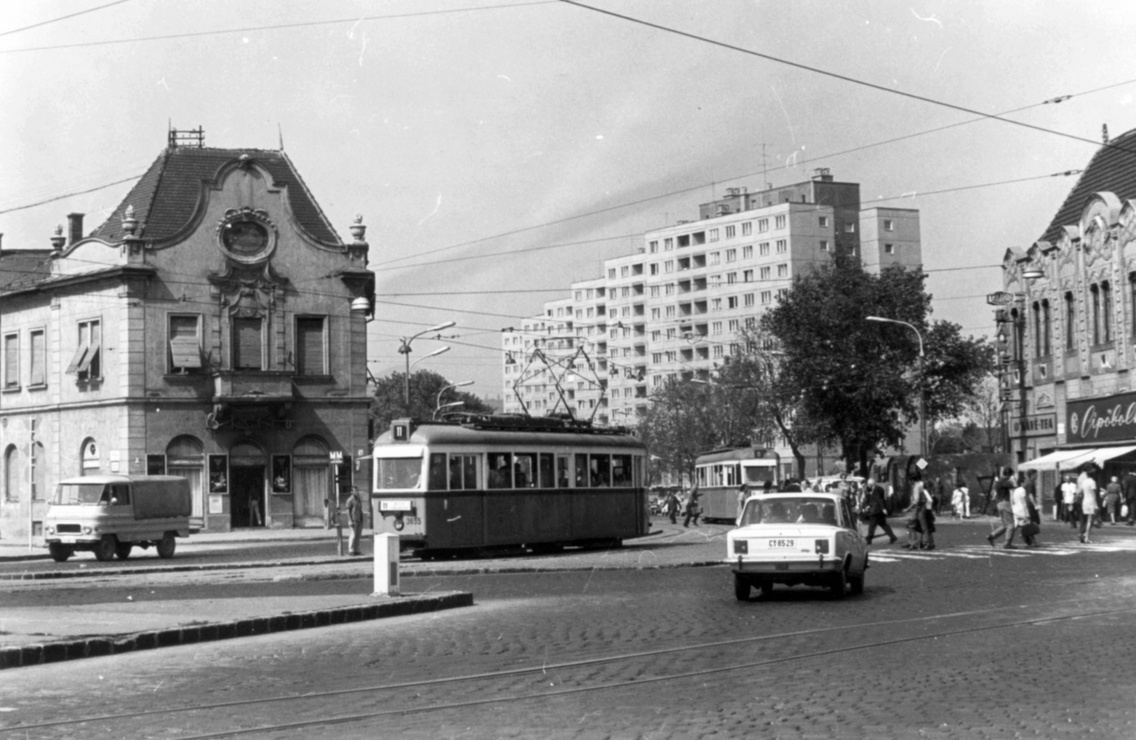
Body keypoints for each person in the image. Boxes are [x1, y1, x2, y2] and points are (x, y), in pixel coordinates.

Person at [987, 466, 1019, 549]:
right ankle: (1007, 543)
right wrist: (1014, 479)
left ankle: (992, 536)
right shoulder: (1004, 481)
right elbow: (1015, 485)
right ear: (1009, 474)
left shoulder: (998, 481)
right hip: (1005, 503)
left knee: (1006, 525)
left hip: (999, 504)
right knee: (1011, 525)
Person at [903, 473, 935, 550]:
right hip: (925, 507)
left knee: (916, 525)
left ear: (912, 480)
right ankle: (924, 542)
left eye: (909, 480)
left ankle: (923, 543)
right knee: (922, 525)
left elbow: (916, 501)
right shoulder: (922, 485)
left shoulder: (917, 487)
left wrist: (907, 509)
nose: (909, 482)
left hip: (920, 508)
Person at [863, 477, 897, 545]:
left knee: (872, 525)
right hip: (878, 510)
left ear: (872, 484)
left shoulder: (876, 489)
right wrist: (868, 505)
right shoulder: (877, 489)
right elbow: (873, 499)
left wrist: (883, 508)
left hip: (876, 510)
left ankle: (869, 538)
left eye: (869, 484)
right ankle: (893, 537)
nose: (868, 485)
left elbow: (879, 499)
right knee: (883, 524)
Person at [1011, 473, 1037, 547]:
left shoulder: (1015, 490)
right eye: (1025, 481)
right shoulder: (1023, 490)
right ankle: (1032, 542)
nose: (1026, 482)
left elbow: (1012, 500)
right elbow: (1024, 502)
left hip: (1016, 510)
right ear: (1022, 482)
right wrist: (1026, 513)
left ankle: (1008, 540)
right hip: (1022, 510)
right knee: (1028, 527)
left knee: (1017, 527)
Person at [1078, 468, 1100, 544]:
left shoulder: (1084, 482)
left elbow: (1080, 492)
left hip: (1084, 501)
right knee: (1090, 520)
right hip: (1091, 501)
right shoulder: (1093, 482)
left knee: (1086, 519)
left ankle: (1083, 534)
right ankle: (1086, 537)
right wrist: (1096, 504)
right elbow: (1094, 494)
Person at [346, 488, 365, 556]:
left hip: (359, 519)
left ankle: (356, 549)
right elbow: (348, 511)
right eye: (355, 491)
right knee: (353, 535)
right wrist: (350, 520)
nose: (357, 492)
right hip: (353, 520)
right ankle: (351, 550)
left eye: (357, 490)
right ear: (351, 492)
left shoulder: (358, 499)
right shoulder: (350, 500)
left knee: (358, 535)